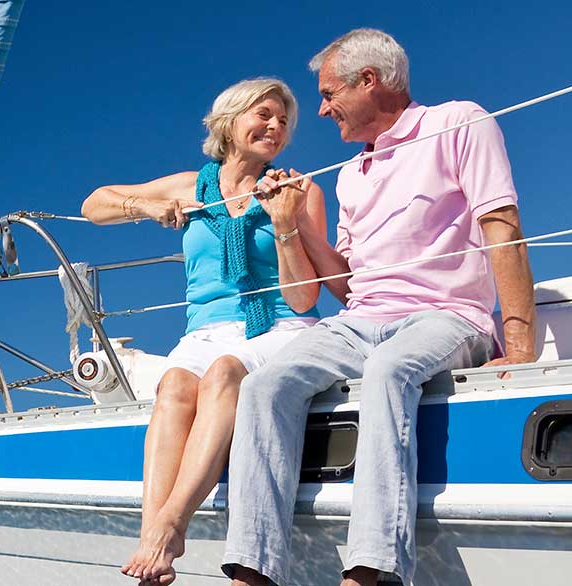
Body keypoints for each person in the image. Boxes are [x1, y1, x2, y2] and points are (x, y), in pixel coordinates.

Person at [221, 29, 538, 586]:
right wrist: (291, 221)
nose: (320, 111)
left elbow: (502, 228)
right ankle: (253, 570)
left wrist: (519, 346)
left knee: (387, 371)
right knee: (265, 385)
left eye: (327, 94)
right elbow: (346, 288)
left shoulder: (459, 121)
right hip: (361, 319)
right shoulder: (350, 175)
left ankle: (370, 570)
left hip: (447, 314)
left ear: (369, 82)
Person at [79, 77, 328, 586]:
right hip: (206, 328)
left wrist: (284, 220)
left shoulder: (301, 190)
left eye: (283, 121)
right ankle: (152, 533)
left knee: (223, 374)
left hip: (279, 323)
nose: (275, 126)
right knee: (173, 386)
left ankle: (171, 526)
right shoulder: (190, 185)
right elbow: (94, 204)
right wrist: (144, 208)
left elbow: (306, 298)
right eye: (263, 115)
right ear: (230, 122)